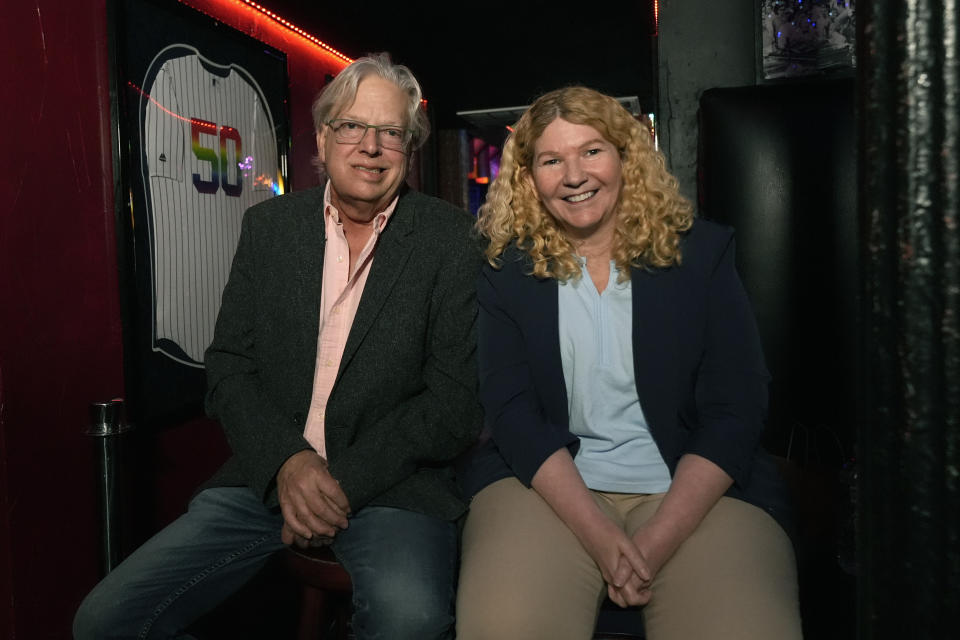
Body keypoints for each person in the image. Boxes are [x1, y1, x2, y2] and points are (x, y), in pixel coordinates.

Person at [74, 53, 482, 640]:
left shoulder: (451, 241)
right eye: (352, 127)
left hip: (396, 484)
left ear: (409, 147)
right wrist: (289, 465)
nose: (370, 146)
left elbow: (454, 405)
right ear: (323, 135)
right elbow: (229, 367)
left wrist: (332, 482)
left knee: (411, 621)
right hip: (266, 473)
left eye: (390, 132)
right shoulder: (269, 229)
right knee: (105, 620)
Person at [455, 86, 802, 640]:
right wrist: (598, 534)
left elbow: (736, 407)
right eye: (551, 160)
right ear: (528, 177)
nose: (573, 175)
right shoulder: (507, 270)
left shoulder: (702, 255)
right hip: (547, 486)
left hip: (692, 483)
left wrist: (657, 540)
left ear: (626, 156)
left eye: (592, 151)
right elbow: (512, 410)